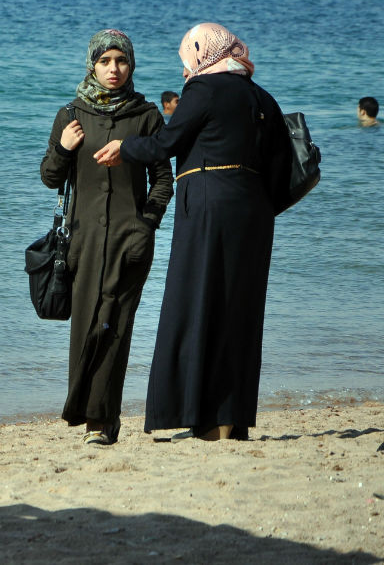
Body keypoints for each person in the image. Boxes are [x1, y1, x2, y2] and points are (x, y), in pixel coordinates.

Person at [93, 22, 293, 442]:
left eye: (187, 58)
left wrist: (124, 148)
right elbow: (280, 167)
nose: (185, 69)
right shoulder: (262, 97)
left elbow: (167, 141)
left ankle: (200, 419)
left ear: (202, 53)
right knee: (240, 312)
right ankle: (231, 420)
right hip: (255, 213)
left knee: (196, 304)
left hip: (208, 203)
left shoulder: (204, 90)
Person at [40, 29, 174, 447]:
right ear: (92, 65)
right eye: (105, 62)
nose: (113, 69)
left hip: (130, 241)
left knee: (114, 326)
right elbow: (49, 177)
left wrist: (145, 224)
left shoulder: (146, 116)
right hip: (82, 241)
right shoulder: (71, 113)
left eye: (121, 61)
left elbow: (164, 180)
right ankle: (85, 413)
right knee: (85, 327)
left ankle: (103, 421)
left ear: (131, 65)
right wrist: (64, 148)